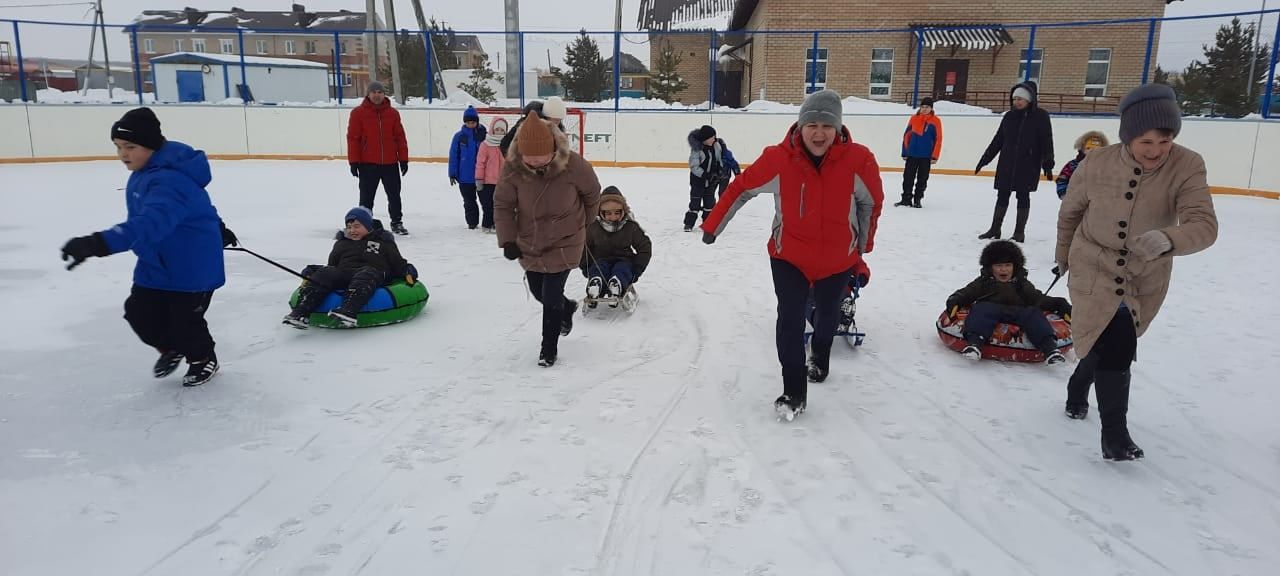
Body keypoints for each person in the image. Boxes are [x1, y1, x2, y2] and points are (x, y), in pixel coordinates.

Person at [1055, 84, 1217, 460]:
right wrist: (1063, 255)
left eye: (1165, 139)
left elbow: (1204, 224)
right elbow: (1071, 213)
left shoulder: (1187, 164)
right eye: (1146, 141)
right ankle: (1115, 436)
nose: (1156, 150)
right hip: (1093, 263)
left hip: (1145, 272)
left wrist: (1168, 238)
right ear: (1128, 136)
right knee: (1117, 345)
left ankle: (1079, 385)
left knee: (1105, 342)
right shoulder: (1096, 163)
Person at [701, 89, 885, 420]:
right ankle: (793, 391)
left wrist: (862, 247)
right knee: (789, 317)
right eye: (811, 124)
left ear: (838, 128)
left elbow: (870, 203)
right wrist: (713, 225)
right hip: (789, 256)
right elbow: (740, 188)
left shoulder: (860, 159)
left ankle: (821, 356)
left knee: (828, 315)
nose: (818, 133)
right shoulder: (778, 158)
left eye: (826, 125)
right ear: (799, 126)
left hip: (837, 260)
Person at [60, 107, 236, 387]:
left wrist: (98, 243)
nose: (123, 154)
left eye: (130, 146)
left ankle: (202, 358)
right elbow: (196, 204)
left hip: (192, 268)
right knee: (139, 314)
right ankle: (172, 348)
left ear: (151, 146)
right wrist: (217, 225)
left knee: (184, 323)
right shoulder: (148, 171)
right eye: (118, 147)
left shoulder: (169, 180)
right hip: (156, 263)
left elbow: (148, 223)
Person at [495, 111, 602, 367]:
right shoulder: (513, 169)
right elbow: (502, 205)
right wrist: (508, 240)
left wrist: (584, 224)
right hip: (530, 241)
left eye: (539, 156)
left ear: (553, 148)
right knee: (537, 290)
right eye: (528, 157)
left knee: (551, 294)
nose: (534, 162)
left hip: (566, 238)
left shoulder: (574, 165)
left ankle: (548, 348)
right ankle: (567, 308)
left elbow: (592, 194)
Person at [283, 207, 416, 329]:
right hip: (345, 273)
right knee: (326, 272)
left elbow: (397, 263)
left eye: (357, 226)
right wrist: (315, 271)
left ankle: (349, 311)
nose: (352, 230)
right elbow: (332, 266)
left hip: (373, 274)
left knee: (366, 272)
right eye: (349, 226)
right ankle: (301, 313)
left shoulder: (382, 242)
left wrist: (407, 270)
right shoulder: (342, 244)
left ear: (368, 226)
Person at [944, 240, 1071, 365]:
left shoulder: (1021, 283)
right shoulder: (984, 282)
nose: (1003, 270)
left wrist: (1059, 304)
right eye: (998, 266)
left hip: (1018, 312)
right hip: (991, 311)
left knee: (1034, 313)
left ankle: (1049, 348)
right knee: (980, 309)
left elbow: (1037, 298)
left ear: (1015, 266)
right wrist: (956, 299)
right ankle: (975, 343)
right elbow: (967, 292)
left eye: (1008, 265)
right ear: (990, 267)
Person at [975, 81, 1055, 243]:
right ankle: (995, 228)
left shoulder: (1040, 116)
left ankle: (1019, 232)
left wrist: (1048, 162)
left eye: (1021, 99)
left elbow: (1047, 140)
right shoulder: (1009, 117)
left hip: (1029, 163)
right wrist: (985, 159)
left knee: (1023, 196)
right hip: (1007, 163)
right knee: (1002, 194)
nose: (1017, 102)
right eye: (1015, 98)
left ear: (1030, 99)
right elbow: (998, 140)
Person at [347, 81, 410, 235]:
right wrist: (353, 161)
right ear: (368, 94)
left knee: (394, 195)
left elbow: (400, 137)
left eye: (380, 92)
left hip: (390, 163)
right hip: (367, 164)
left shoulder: (393, 113)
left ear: (384, 94)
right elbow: (353, 138)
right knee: (367, 197)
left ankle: (397, 222)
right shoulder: (358, 113)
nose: (377, 95)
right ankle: (364, 224)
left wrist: (403, 159)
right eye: (373, 92)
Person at [581, 186, 652, 306]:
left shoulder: (630, 227)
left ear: (623, 211)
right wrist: (586, 267)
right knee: (599, 268)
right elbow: (583, 247)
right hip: (601, 259)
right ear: (599, 212)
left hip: (624, 259)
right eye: (608, 213)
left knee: (622, 269)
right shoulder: (593, 227)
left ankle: (616, 286)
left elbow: (644, 247)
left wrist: (637, 269)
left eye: (617, 213)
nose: (613, 217)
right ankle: (595, 285)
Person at [896, 97, 943, 208]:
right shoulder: (913, 118)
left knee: (922, 179)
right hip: (912, 154)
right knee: (908, 177)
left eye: (927, 107)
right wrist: (905, 152)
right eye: (922, 107)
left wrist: (935, 155)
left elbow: (939, 138)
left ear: (931, 108)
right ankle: (906, 199)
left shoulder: (936, 121)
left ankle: (917, 199)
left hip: (926, 156)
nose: (924, 109)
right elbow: (907, 135)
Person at [448, 106, 487, 230]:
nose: (471, 124)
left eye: (473, 122)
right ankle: (472, 223)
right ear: (465, 122)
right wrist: (452, 173)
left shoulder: (483, 135)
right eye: (468, 122)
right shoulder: (459, 137)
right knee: (469, 202)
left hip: (482, 176)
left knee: (486, 201)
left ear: (477, 122)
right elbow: (454, 155)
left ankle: (488, 222)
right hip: (465, 177)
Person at [685, 124, 725, 231]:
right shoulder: (697, 149)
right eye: (712, 137)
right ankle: (689, 224)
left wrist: (720, 170)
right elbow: (694, 166)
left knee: (710, 203)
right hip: (698, 181)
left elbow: (719, 159)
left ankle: (708, 224)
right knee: (695, 203)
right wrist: (705, 175)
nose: (714, 139)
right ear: (705, 139)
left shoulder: (716, 146)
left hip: (711, 180)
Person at [499, 97, 568, 157]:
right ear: (547, 116)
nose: (557, 123)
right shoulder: (526, 124)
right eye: (555, 120)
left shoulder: (558, 130)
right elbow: (506, 144)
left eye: (560, 120)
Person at [474, 117, 508, 233]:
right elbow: (480, 163)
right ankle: (486, 225)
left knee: (499, 206)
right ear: (492, 129)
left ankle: (496, 225)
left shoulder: (507, 145)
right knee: (488, 205)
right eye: (497, 129)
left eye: (502, 130)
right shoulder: (485, 145)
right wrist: (479, 179)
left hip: (503, 182)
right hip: (488, 182)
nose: (499, 132)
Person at [1056, 130, 1109, 199]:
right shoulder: (1072, 165)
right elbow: (1062, 180)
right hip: (1075, 201)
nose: (1092, 151)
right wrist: (1064, 194)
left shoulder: (1107, 166)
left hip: (1099, 203)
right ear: (1082, 148)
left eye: (1097, 149)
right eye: (1089, 148)